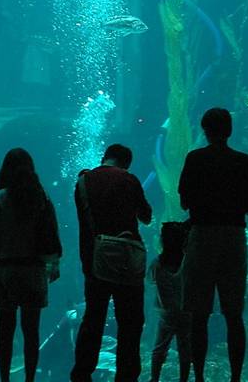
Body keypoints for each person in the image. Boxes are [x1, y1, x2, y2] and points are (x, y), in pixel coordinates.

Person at [177, 107, 248, 382]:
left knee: (198, 314)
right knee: (234, 314)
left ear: (205, 130)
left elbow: (184, 200)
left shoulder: (195, 159)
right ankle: (235, 377)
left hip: (202, 235)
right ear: (230, 130)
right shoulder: (244, 161)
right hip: (234, 236)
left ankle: (199, 376)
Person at [70, 143, 152, 382]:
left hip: (94, 261)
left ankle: (82, 374)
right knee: (131, 322)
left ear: (104, 157)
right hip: (127, 262)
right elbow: (146, 216)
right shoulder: (129, 179)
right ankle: (126, 376)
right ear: (126, 163)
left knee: (93, 319)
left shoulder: (83, 181)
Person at [0, 147, 62, 382]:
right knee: (31, 332)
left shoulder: (0, 199)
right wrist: (54, 265)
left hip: (5, 272)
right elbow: (53, 234)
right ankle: (29, 379)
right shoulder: (42, 198)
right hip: (34, 271)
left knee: (5, 333)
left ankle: (5, 379)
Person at [148, 221, 191, 382]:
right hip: (185, 312)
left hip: (165, 314)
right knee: (185, 348)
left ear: (162, 241)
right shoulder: (187, 262)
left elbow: (150, 280)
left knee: (159, 348)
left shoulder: (157, 263)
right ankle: (183, 379)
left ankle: (154, 378)